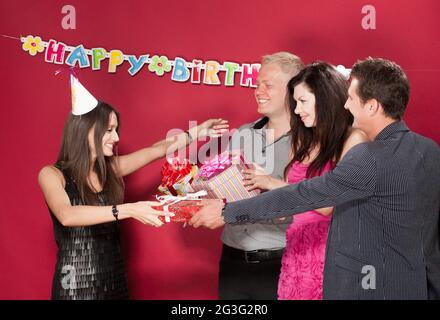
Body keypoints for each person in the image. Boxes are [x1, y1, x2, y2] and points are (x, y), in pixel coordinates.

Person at [190, 58, 440, 300]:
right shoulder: (429, 150)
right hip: (414, 284)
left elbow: (307, 195)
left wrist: (228, 211)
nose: (346, 105)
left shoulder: (368, 156)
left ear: (372, 106)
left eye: (351, 99)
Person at [38, 75, 228, 300]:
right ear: (86, 130)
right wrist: (129, 209)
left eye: (116, 129)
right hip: (74, 287)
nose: (116, 137)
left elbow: (156, 150)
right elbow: (67, 215)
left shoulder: (111, 169)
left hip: (114, 280)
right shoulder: (51, 174)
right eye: (109, 130)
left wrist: (196, 133)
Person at [241, 62, 368, 299]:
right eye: (295, 103)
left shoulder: (354, 139)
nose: (297, 111)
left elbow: (330, 204)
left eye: (303, 102)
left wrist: (272, 183)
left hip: (333, 254)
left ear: (325, 99)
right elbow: (289, 207)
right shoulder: (302, 140)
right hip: (296, 251)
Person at [217, 52, 304, 300]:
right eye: (256, 84)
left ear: (292, 90)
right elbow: (224, 190)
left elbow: (315, 203)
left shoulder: (311, 141)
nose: (258, 91)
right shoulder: (243, 133)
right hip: (232, 260)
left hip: (280, 262)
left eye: (267, 85)